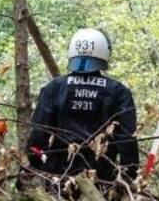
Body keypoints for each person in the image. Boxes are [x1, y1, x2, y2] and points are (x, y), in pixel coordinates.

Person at [24, 28, 139, 193]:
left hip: (59, 180)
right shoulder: (118, 92)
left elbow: (37, 136)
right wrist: (129, 177)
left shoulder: (54, 88)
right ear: (104, 53)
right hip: (102, 179)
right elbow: (127, 140)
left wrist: (36, 166)